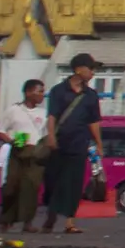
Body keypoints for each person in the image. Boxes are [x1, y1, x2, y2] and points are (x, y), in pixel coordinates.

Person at [40, 53, 103, 235]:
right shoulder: (59, 91)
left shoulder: (91, 95)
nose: (92, 72)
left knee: (74, 184)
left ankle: (69, 221)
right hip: (58, 143)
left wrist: (99, 144)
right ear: (78, 69)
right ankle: (51, 217)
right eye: (90, 68)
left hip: (79, 144)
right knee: (54, 181)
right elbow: (52, 116)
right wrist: (51, 135)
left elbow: (94, 122)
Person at [0, 78, 51, 233]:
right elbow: (0, 130)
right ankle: (6, 220)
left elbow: (47, 134)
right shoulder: (14, 110)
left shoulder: (44, 113)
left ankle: (28, 222)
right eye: (39, 91)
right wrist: (12, 141)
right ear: (28, 92)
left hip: (36, 152)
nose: (42, 95)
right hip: (19, 148)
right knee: (11, 187)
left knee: (31, 187)